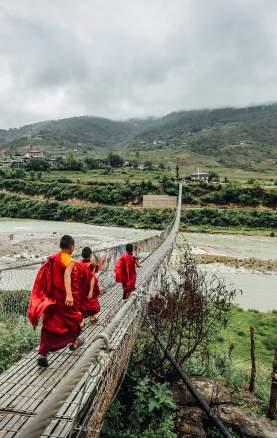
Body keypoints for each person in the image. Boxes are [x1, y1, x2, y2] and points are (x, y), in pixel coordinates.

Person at [28, 235, 84, 368]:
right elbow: (66, 276)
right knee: (74, 319)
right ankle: (74, 342)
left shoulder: (54, 259)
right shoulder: (69, 260)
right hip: (66, 300)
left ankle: (43, 354)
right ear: (71, 247)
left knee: (49, 324)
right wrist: (69, 295)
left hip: (54, 300)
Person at [78, 247, 101, 324]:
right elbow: (92, 278)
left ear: (82, 255)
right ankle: (92, 317)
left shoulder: (78, 264)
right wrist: (91, 290)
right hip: (89, 287)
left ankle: (82, 320)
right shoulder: (92, 265)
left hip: (81, 287)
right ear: (90, 256)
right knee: (91, 302)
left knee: (82, 303)